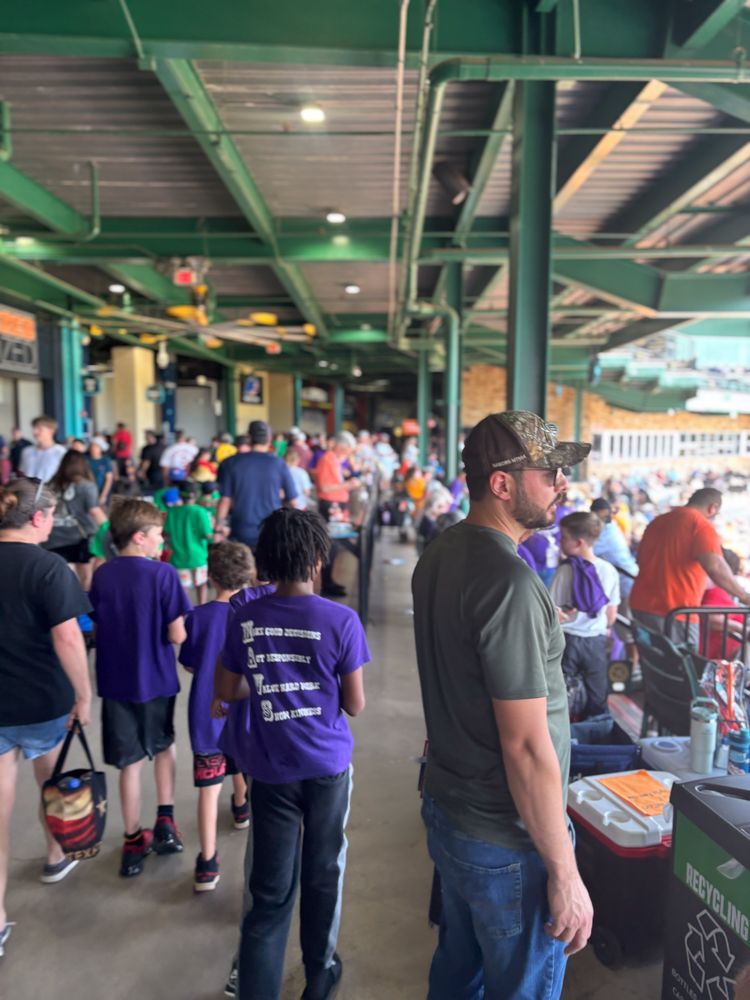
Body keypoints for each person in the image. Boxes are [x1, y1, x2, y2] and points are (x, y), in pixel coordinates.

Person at [412, 410, 593, 999]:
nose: (562, 484)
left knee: (458, 970)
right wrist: (564, 871)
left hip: (452, 809)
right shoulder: (511, 584)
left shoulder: (441, 554)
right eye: (550, 472)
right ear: (502, 483)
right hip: (506, 836)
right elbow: (525, 746)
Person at [215, 508, 369, 1000]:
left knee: (270, 890)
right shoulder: (341, 619)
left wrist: (270, 682)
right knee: (324, 871)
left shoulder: (246, 617)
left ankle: (256, 990)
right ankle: (319, 974)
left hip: (271, 769)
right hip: (327, 768)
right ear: (319, 559)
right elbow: (355, 704)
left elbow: (227, 690)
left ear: (267, 562)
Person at [0, 478, 93, 958]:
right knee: (51, 784)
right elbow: (69, 639)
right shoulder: (49, 567)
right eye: (52, 516)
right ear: (37, 519)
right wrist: (84, 694)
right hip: (42, 702)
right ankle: (56, 856)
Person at [89, 499, 191, 878]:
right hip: (158, 678)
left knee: (128, 762)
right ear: (140, 537)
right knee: (164, 746)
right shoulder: (164, 575)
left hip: (116, 681)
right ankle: (165, 821)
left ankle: (133, 839)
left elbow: (97, 628)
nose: (162, 541)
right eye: (158, 535)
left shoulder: (101, 574)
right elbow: (177, 634)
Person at [178, 542, 253, 893]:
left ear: (210, 576)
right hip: (245, 713)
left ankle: (207, 862)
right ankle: (241, 806)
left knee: (208, 789)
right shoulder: (254, 613)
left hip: (207, 714)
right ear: (250, 575)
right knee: (242, 764)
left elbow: (191, 662)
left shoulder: (197, 617)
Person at [629, 487, 750, 646]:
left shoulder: (657, 522)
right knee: (682, 668)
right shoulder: (701, 526)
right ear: (712, 508)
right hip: (674, 611)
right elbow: (715, 567)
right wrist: (745, 597)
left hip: (641, 605)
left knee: (654, 667)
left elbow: (641, 560)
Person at [549, 512, 620, 719]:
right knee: (596, 695)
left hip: (565, 641)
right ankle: (594, 735)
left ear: (578, 542)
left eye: (563, 537)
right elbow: (611, 618)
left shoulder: (565, 571)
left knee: (559, 693)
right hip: (595, 642)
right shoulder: (609, 570)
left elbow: (551, 609)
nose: (560, 542)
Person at [215, 421, 298, 551]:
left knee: (243, 569)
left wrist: (218, 528)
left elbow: (225, 500)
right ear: (269, 439)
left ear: (249, 438)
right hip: (271, 530)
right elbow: (293, 501)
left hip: (241, 530)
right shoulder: (278, 464)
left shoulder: (230, 463)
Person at [45, 449, 107, 591]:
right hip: (80, 537)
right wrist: (110, 528)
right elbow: (94, 511)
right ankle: (83, 610)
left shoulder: (51, 485)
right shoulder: (86, 486)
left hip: (53, 537)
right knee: (85, 576)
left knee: (63, 578)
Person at [315, 431, 360, 597]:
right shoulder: (328, 460)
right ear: (341, 446)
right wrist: (347, 484)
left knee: (335, 544)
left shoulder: (334, 460)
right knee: (332, 544)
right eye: (348, 449)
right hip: (330, 505)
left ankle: (329, 581)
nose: (349, 453)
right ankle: (327, 583)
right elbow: (325, 488)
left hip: (336, 504)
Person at [165, 481, 214, 605]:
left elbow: (166, 533)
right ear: (196, 494)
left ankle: (184, 614)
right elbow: (208, 535)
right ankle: (202, 609)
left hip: (178, 557)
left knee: (183, 589)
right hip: (198, 557)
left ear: (180, 495)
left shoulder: (172, 512)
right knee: (201, 584)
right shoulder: (200, 511)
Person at [18, 416, 67, 482]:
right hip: (28, 490)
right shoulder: (27, 452)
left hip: (50, 491)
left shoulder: (61, 452)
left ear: (51, 431)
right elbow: (22, 474)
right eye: (34, 428)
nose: (35, 432)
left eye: (39, 429)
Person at [87, 439, 114, 506]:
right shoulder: (86, 460)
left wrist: (103, 495)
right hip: (88, 492)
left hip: (101, 491)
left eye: (95, 447)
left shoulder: (105, 460)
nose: (93, 448)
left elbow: (109, 479)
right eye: (92, 446)